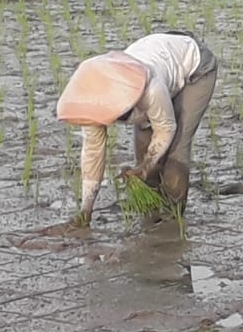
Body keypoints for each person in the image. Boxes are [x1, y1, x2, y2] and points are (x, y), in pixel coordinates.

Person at [55, 30, 218, 227]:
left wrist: (146, 165)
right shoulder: (94, 102)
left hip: (195, 69)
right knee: (143, 149)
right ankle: (152, 210)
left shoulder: (150, 87)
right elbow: (92, 154)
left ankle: (173, 222)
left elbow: (166, 128)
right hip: (158, 60)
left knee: (176, 149)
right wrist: (85, 211)